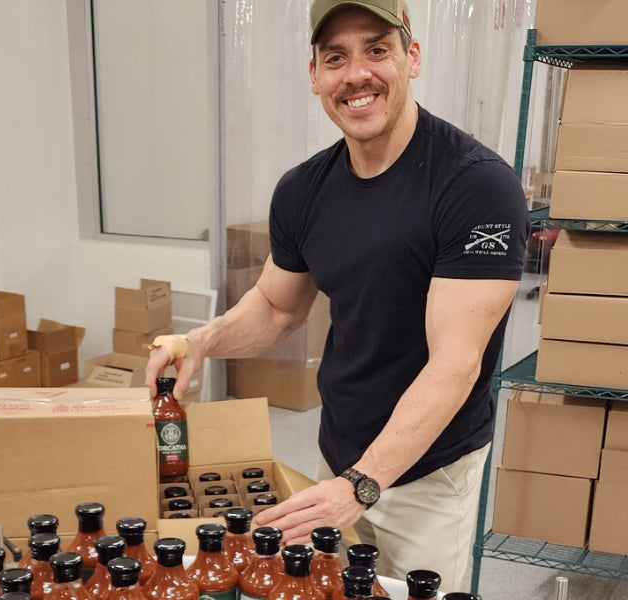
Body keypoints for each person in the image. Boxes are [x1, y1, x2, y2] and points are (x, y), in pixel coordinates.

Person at [146, 0, 530, 590]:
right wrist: (199, 340)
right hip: (338, 453)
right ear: (315, 75)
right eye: (336, 57)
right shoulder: (303, 190)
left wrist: (363, 485)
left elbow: (455, 364)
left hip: (426, 474)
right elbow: (276, 306)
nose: (356, 74)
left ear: (413, 57)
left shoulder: (475, 186)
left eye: (377, 49)